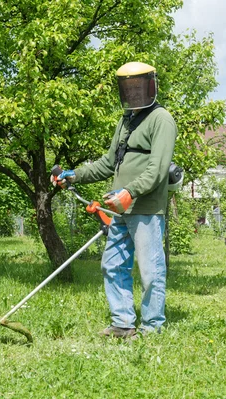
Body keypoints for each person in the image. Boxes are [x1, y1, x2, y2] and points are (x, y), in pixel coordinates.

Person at [51, 61, 177, 339]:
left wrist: (130, 192)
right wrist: (74, 175)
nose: (133, 94)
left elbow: (157, 170)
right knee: (113, 264)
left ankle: (152, 327)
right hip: (118, 208)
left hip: (145, 208)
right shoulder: (126, 121)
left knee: (150, 271)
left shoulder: (162, 120)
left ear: (151, 85)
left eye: (138, 87)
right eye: (128, 88)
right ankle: (122, 322)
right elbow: (109, 163)